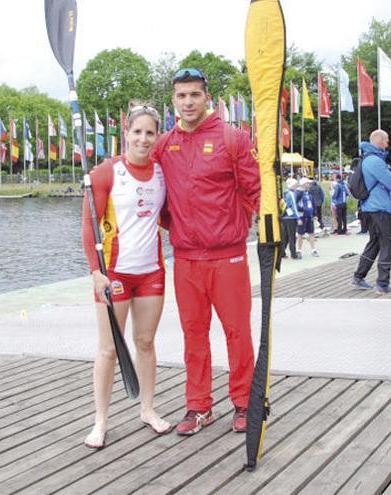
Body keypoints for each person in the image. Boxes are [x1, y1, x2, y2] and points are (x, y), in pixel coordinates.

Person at [151, 68, 260, 436]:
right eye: (181, 96)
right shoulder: (165, 144)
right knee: (193, 335)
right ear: (173, 101)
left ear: (206, 97)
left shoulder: (233, 138)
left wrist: (270, 232)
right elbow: (153, 196)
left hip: (228, 256)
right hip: (186, 260)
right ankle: (199, 407)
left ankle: (245, 403)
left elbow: (255, 190)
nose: (187, 102)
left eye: (194, 95)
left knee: (237, 333)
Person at [80, 103, 171, 449]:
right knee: (108, 350)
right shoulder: (106, 172)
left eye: (150, 133)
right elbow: (88, 226)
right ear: (126, 134)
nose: (144, 139)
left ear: (156, 136)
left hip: (151, 273)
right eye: (137, 132)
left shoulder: (162, 172)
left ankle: (147, 409)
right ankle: (100, 420)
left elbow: (168, 217)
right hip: (113, 274)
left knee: (145, 343)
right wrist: (94, 272)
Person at [351, 130, 391, 293]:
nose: (387, 144)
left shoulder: (365, 159)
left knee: (374, 242)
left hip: (368, 207)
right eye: (386, 140)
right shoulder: (375, 161)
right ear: (379, 141)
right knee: (386, 243)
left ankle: (358, 276)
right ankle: (382, 283)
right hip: (379, 207)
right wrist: (389, 175)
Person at [296, 177, 319, 256]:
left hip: (310, 215)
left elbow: (313, 204)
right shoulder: (298, 193)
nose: (309, 185)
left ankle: (313, 250)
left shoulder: (309, 193)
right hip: (302, 216)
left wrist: (315, 214)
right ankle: (299, 250)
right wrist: (302, 209)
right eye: (307, 183)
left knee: (311, 233)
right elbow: (295, 205)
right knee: (300, 234)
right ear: (303, 184)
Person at [281, 177, 301, 259]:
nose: (297, 186)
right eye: (296, 185)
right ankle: (293, 254)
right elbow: (294, 207)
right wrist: (298, 218)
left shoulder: (285, 193)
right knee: (292, 236)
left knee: (285, 236)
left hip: (285, 217)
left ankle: (282, 253)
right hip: (291, 218)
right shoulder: (291, 194)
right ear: (292, 185)